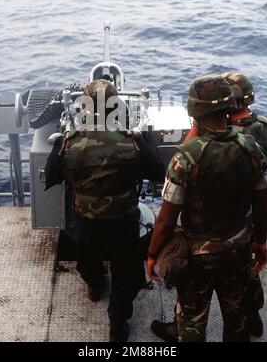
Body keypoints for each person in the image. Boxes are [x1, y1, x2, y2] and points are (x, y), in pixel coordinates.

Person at [147, 75, 267, 342]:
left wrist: (152, 254)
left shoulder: (186, 156)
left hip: (197, 255)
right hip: (237, 248)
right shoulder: (251, 148)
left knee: (192, 324)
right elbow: (261, 205)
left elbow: (167, 219)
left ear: (195, 109)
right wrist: (260, 242)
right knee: (236, 321)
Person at [45, 79, 165, 342]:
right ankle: (118, 321)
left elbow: (51, 176)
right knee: (126, 267)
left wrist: (60, 145)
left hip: (86, 219)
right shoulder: (130, 142)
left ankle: (95, 286)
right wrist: (139, 138)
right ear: (116, 108)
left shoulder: (71, 141)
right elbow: (158, 172)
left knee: (87, 256)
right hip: (123, 219)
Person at [221, 72, 267, 336]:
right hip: (255, 211)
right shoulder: (266, 127)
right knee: (249, 270)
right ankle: (254, 317)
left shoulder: (224, 136)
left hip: (226, 216)